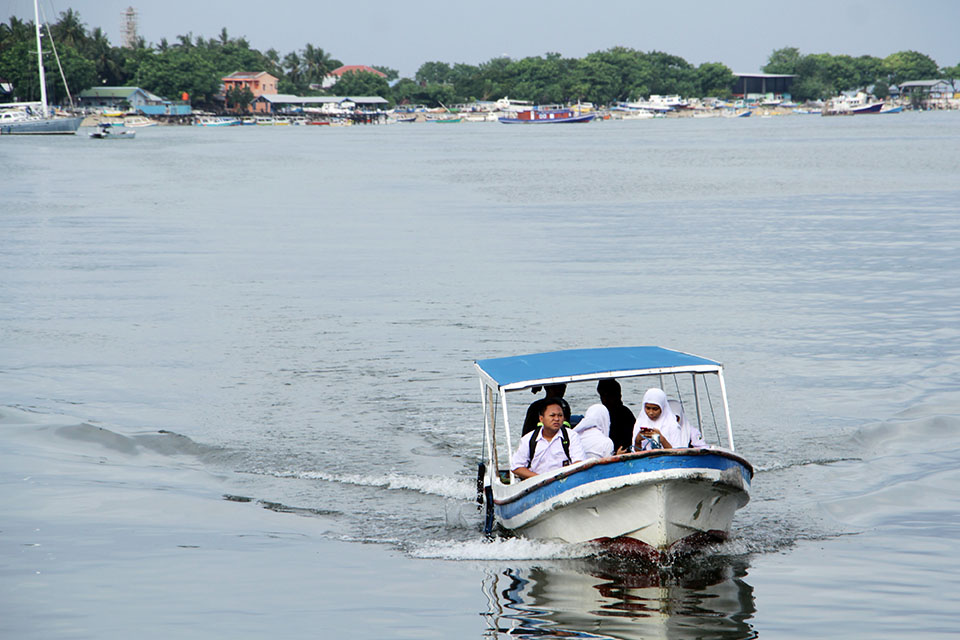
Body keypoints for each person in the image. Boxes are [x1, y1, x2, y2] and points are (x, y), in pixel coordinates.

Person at [512, 399, 585, 479]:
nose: (557, 419)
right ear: (541, 419)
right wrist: (540, 479)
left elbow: (579, 462)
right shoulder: (528, 439)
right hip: (536, 484)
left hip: (565, 481)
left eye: (560, 415)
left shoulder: (571, 436)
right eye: (552, 415)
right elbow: (516, 467)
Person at [597, 378, 636, 453]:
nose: (604, 400)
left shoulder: (625, 414)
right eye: (602, 396)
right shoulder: (602, 413)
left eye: (607, 396)